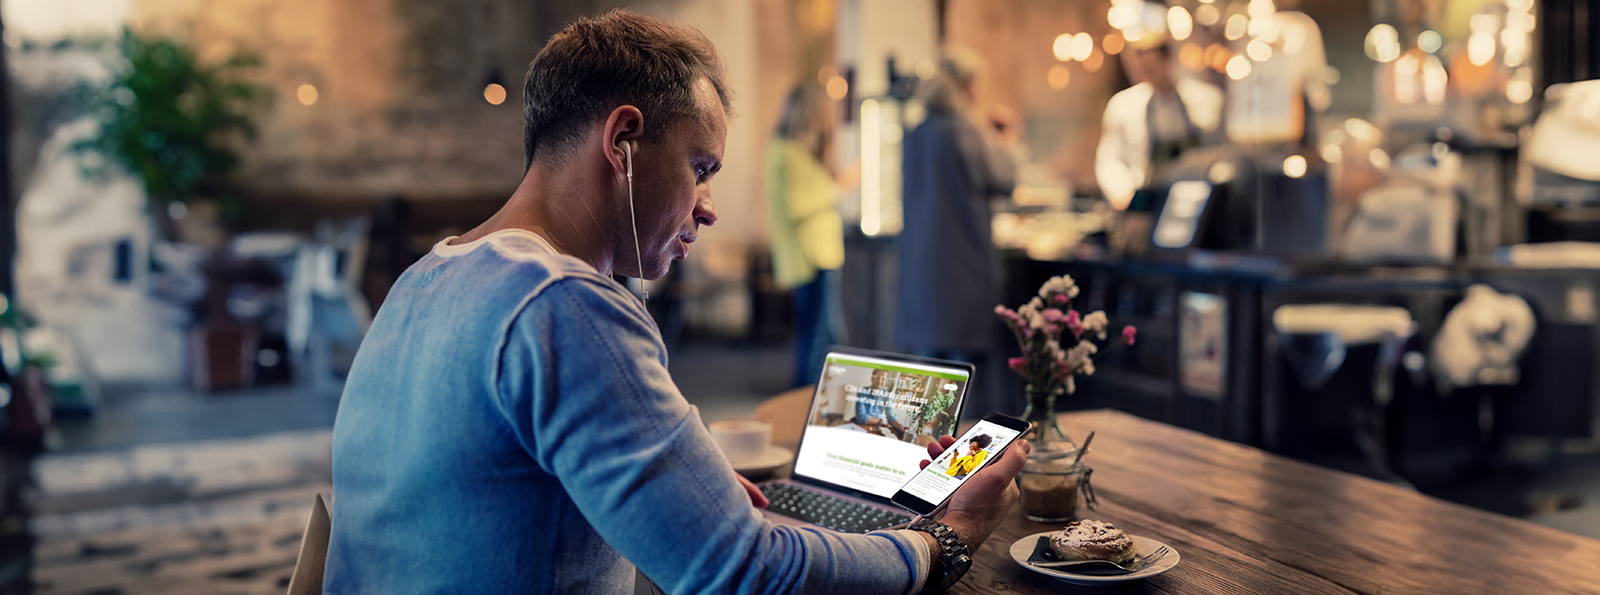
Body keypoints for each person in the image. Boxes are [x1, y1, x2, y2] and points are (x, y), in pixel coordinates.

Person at [324, 10, 1027, 594]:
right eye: (701, 169)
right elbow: (741, 569)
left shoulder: (424, 277)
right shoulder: (562, 303)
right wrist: (940, 540)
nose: (709, 207)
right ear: (623, 140)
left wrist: (689, 490)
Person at [896, 48, 1018, 380]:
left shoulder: (916, 130)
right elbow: (1003, 181)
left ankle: (925, 434)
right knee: (961, 371)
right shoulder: (964, 130)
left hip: (923, 264)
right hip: (960, 262)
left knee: (926, 371)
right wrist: (1005, 142)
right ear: (966, 85)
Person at [765, 84, 846, 388]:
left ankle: (810, 403)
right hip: (809, 256)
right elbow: (799, 204)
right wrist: (836, 189)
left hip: (817, 253)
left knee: (819, 334)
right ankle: (807, 405)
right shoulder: (787, 151)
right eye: (818, 113)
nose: (822, 120)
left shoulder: (795, 150)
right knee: (819, 337)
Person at [1094, 34, 1223, 211]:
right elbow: (1109, 158)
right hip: (1146, 205)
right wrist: (1121, 192)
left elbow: (1222, 154)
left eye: (1149, 67)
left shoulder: (1207, 100)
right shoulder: (1122, 106)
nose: (1143, 75)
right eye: (1137, 68)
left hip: (1197, 202)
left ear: (1168, 60)